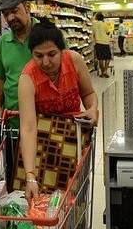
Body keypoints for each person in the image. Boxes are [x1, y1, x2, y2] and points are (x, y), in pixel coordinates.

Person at [18, 18, 99, 202]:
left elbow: (88, 94)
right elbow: (28, 127)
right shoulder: (27, 78)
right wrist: (30, 175)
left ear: (62, 50)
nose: (45, 62)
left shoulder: (75, 61)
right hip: (45, 148)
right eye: (38, 56)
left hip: (76, 139)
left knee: (76, 198)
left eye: (51, 54)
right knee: (47, 202)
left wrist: (92, 109)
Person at [0, 0, 37, 126]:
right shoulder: (3, 43)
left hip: (44, 120)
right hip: (13, 120)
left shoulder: (48, 35)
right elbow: (2, 77)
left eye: (15, 11)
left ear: (27, 7)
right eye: (6, 14)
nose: (10, 18)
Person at [92, 12, 112, 77]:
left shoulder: (94, 24)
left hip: (98, 42)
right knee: (108, 57)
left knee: (100, 58)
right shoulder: (104, 24)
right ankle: (106, 70)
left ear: (97, 17)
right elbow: (108, 32)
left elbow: (93, 33)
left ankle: (102, 72)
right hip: (105, 42)